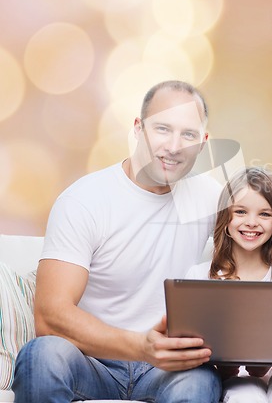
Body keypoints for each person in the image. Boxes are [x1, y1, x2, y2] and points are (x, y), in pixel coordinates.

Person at [13, 81, 223, 403]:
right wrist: (142, 347)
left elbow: (268, 237)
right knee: (42, 355)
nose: (175, 145)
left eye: (189, 135)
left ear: (203, 143)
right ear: (138, 129)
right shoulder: (85, 199)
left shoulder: (212, 198)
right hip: (93, 360)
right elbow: (49, 315)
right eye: (163, 129)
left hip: (167, 369)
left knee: (200, 380)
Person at [186, 166, 272, 403]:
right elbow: (188, 345)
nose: (252, 222)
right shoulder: (200, 277)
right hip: (230, 377)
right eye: (241, 212)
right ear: (226, 218)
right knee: (246, 395)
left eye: (264, 214)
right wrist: (222, 366)